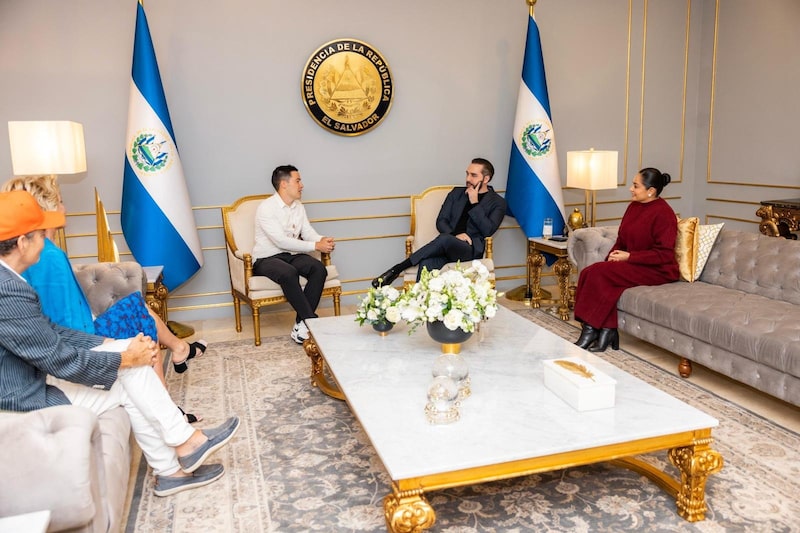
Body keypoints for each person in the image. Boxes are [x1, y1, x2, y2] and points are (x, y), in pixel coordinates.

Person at [0, 190, 240, 496]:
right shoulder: (7, 290)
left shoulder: (9, 280)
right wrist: (124, 358)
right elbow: (59, 359)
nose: (46, 240)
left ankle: (177, 461)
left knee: (131, 367)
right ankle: (183, 449)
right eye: (39, 235)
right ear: (22, 243)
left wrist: (108, 342)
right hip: (20, 401)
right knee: (132, 370)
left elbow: (52, 330)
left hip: (26, 384)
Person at [2, 176, 206, 422]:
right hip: (79, 338)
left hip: (72, 332)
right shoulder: (48, 257)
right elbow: (62, 321)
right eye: (61, 201)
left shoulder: (35, 255)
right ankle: (169, 405)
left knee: (136, 309)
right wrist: (102, 341)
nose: (65, 207)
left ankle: (176, 364)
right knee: (139, 321)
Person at [573, 167, 680, 352]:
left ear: (651, 191)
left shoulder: (664, 214)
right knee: (591, 271)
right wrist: (610, 260)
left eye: (635, 185)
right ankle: (603, 329)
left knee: (599, 275)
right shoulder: (634, 206)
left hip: (658, 270)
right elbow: (622, 240)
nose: (631, 188)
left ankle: (593, 330)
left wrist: (630, 257)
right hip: (634, 263)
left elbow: (664, 254)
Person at [371, 158, 507, 288]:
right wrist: (455, 235)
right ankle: (421, 302)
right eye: (467, 174)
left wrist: (475, 202)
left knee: (445, 238)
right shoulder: (456, 193)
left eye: (473, 175)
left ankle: (396, 269)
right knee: (427, 263)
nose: (468, 179)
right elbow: (441, 221)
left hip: (469, 250)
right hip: (446, 245)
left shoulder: (497, 203)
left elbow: (488, 230)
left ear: (486, 179)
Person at [252, 165, 335, 344]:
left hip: (290, 255)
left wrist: (322, 240)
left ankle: (301, 325)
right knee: (289, 272)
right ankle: (312, 322)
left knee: (318, 269)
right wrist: (315, 245)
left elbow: (307, 231)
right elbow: (280, 241)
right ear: (284, 184)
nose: (302, 185)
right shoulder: (266, 208)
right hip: (266, 258)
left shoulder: (298, 207)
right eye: (298, 181)